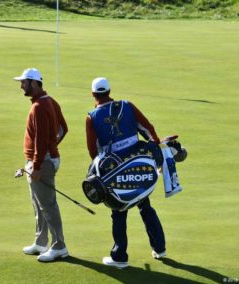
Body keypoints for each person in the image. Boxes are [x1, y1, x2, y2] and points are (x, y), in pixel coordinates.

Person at [85, 77, 166, 269]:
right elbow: (148, 129)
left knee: (119, 210)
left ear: (93, 94)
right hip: (138, 163)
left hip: (115, 169)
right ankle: (160, 248)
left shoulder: (92, 116)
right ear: (110, 91)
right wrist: (157, 150)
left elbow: (93, 151)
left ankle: (120, 256)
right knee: (145, 205)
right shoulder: (127, 105)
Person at [13, 68, 69, 262]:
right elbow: (63, 128)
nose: (21, 86)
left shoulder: (39, 107)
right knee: (39, 204)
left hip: (42, 163)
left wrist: (37, 165)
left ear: (34, 83)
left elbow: (41, 140)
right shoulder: (50, 101)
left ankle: (59, 246)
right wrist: (51, 149)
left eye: (24, 82)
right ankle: (41, 242)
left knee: (48, 205)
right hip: (43, 160)